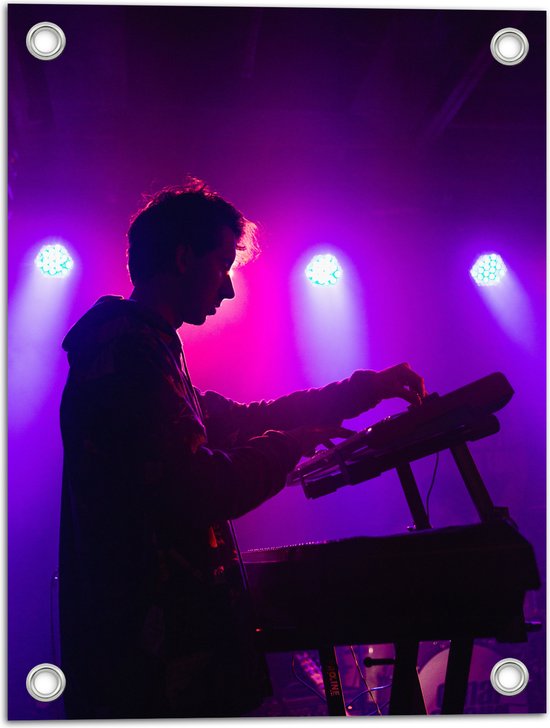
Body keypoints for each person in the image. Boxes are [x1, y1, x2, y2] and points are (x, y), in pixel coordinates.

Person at [59, 179, 426, 719]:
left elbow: (239, 421)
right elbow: (198, 489)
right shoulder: (129, 352)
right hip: (150, 651)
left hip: (150, 640)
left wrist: (361, 391)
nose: (228, 289)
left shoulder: (142, 345)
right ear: (184, 258)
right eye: (223, 265)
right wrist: (287, 447)